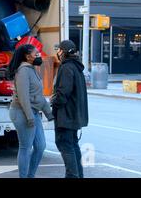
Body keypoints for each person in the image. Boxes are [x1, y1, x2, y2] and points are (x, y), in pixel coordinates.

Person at [8, 44, 54, 178]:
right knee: (25, 148)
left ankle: (30, 175)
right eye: (36, 54)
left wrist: (49, 114)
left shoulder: (33, 69)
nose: (39, 55)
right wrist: (29, 117)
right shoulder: (23, 71)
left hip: (33, 113)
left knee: (40, 147)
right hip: (22, 113)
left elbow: (38, 96)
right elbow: (23, 97)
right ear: (28, 57)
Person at [51, 40, 89, 178]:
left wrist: (54, 104)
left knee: (66, 145)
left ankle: (72, 176)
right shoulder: (76, 67)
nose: (58, 52)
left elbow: (63, 94)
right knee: (73, 145)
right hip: (74, 115)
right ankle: (78, 175)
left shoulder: (66, 67)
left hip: (66, 116)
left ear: (63, 52)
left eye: (59, 49)